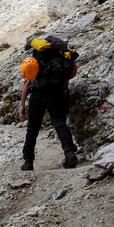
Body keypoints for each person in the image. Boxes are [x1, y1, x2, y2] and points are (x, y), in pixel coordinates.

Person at [18, 35, 78, 171]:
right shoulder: (62, 56)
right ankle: (69, 153)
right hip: (58, 92)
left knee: (33, 127)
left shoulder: (34, 55)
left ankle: (28, 162)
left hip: (38, 93)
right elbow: (67, 79)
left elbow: (27, 81)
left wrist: (22, 104)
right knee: (59, 122)